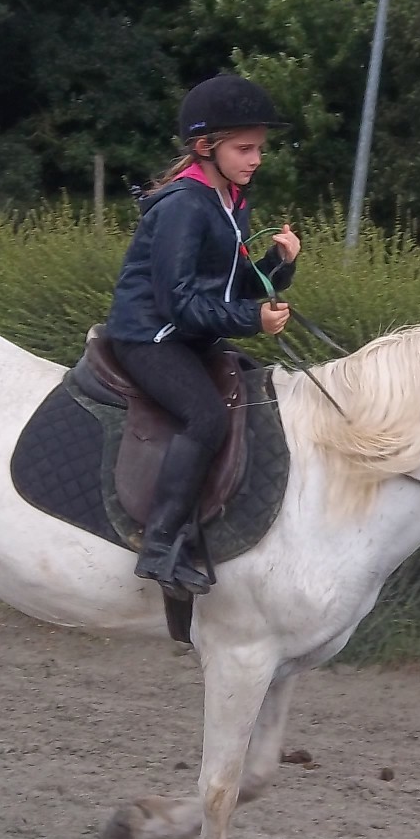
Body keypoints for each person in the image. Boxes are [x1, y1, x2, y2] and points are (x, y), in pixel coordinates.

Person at [106, 74, 301, 594]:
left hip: (188, 335)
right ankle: (159, 545)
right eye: (244, 149)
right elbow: (181, 303)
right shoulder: (184, 207)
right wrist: (252, 321)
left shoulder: (231, 200)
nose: (256, 159)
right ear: (204, 147)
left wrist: (277, 265)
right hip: (150, 337)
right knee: (207, 416)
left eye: (259, 148)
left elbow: (232, 284)